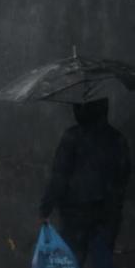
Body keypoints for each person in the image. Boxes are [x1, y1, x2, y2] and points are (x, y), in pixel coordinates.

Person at [39, 98, 131, 268]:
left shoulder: (72, 137)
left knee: (71, 260)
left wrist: (46, 206)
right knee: (102, 259)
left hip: (75, 216)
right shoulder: (116, 138)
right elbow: (123, 177)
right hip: (106, 215)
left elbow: (60, 175)